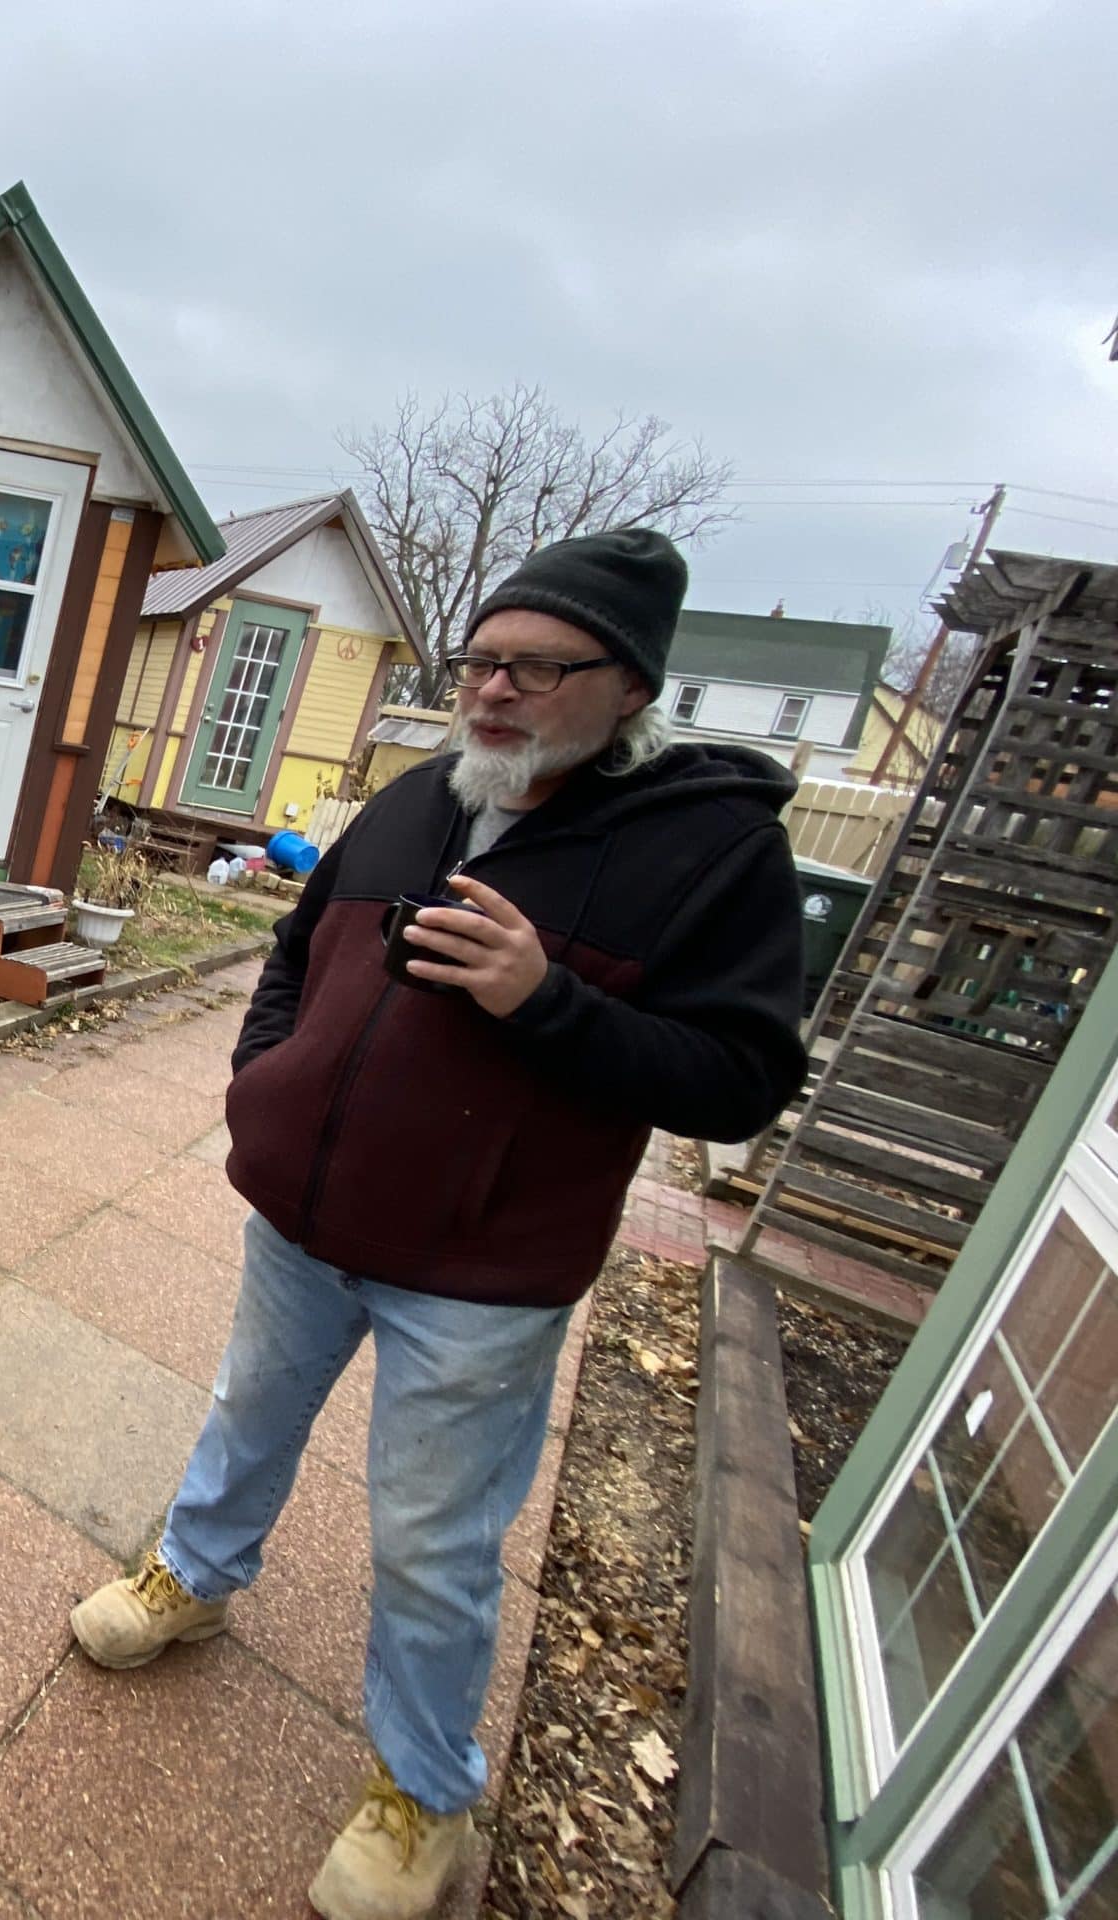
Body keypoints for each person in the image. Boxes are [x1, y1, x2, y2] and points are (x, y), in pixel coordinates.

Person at [68, 529, 807, 1920]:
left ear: (630, 684)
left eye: (539, 667)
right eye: (481, 658)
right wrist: (262, 1088)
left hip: (477, 1274)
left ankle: (422, 1789)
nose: (494, 690)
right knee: (246, 1418)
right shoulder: (417, 798)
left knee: (433, 1533)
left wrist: (550, 1002)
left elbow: (745, 1076)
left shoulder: (711, 856)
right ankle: (198, 1577)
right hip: (304, 1219)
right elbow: (294, 955)